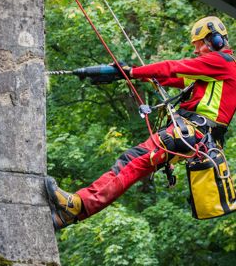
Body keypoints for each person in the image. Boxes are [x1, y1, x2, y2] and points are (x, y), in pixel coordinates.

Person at [45, 16, 236, 230]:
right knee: (133, 165)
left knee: (131, 162)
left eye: (198, 45)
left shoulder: (222, 62)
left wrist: (134, 72)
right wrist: (130, 73)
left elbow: (171, 68)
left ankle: (76, 205)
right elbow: (171, 79)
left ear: (214, 40)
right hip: (194, 137)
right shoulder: (214, 72)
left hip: (193, 133)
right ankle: (70, 215)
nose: (196, 51)